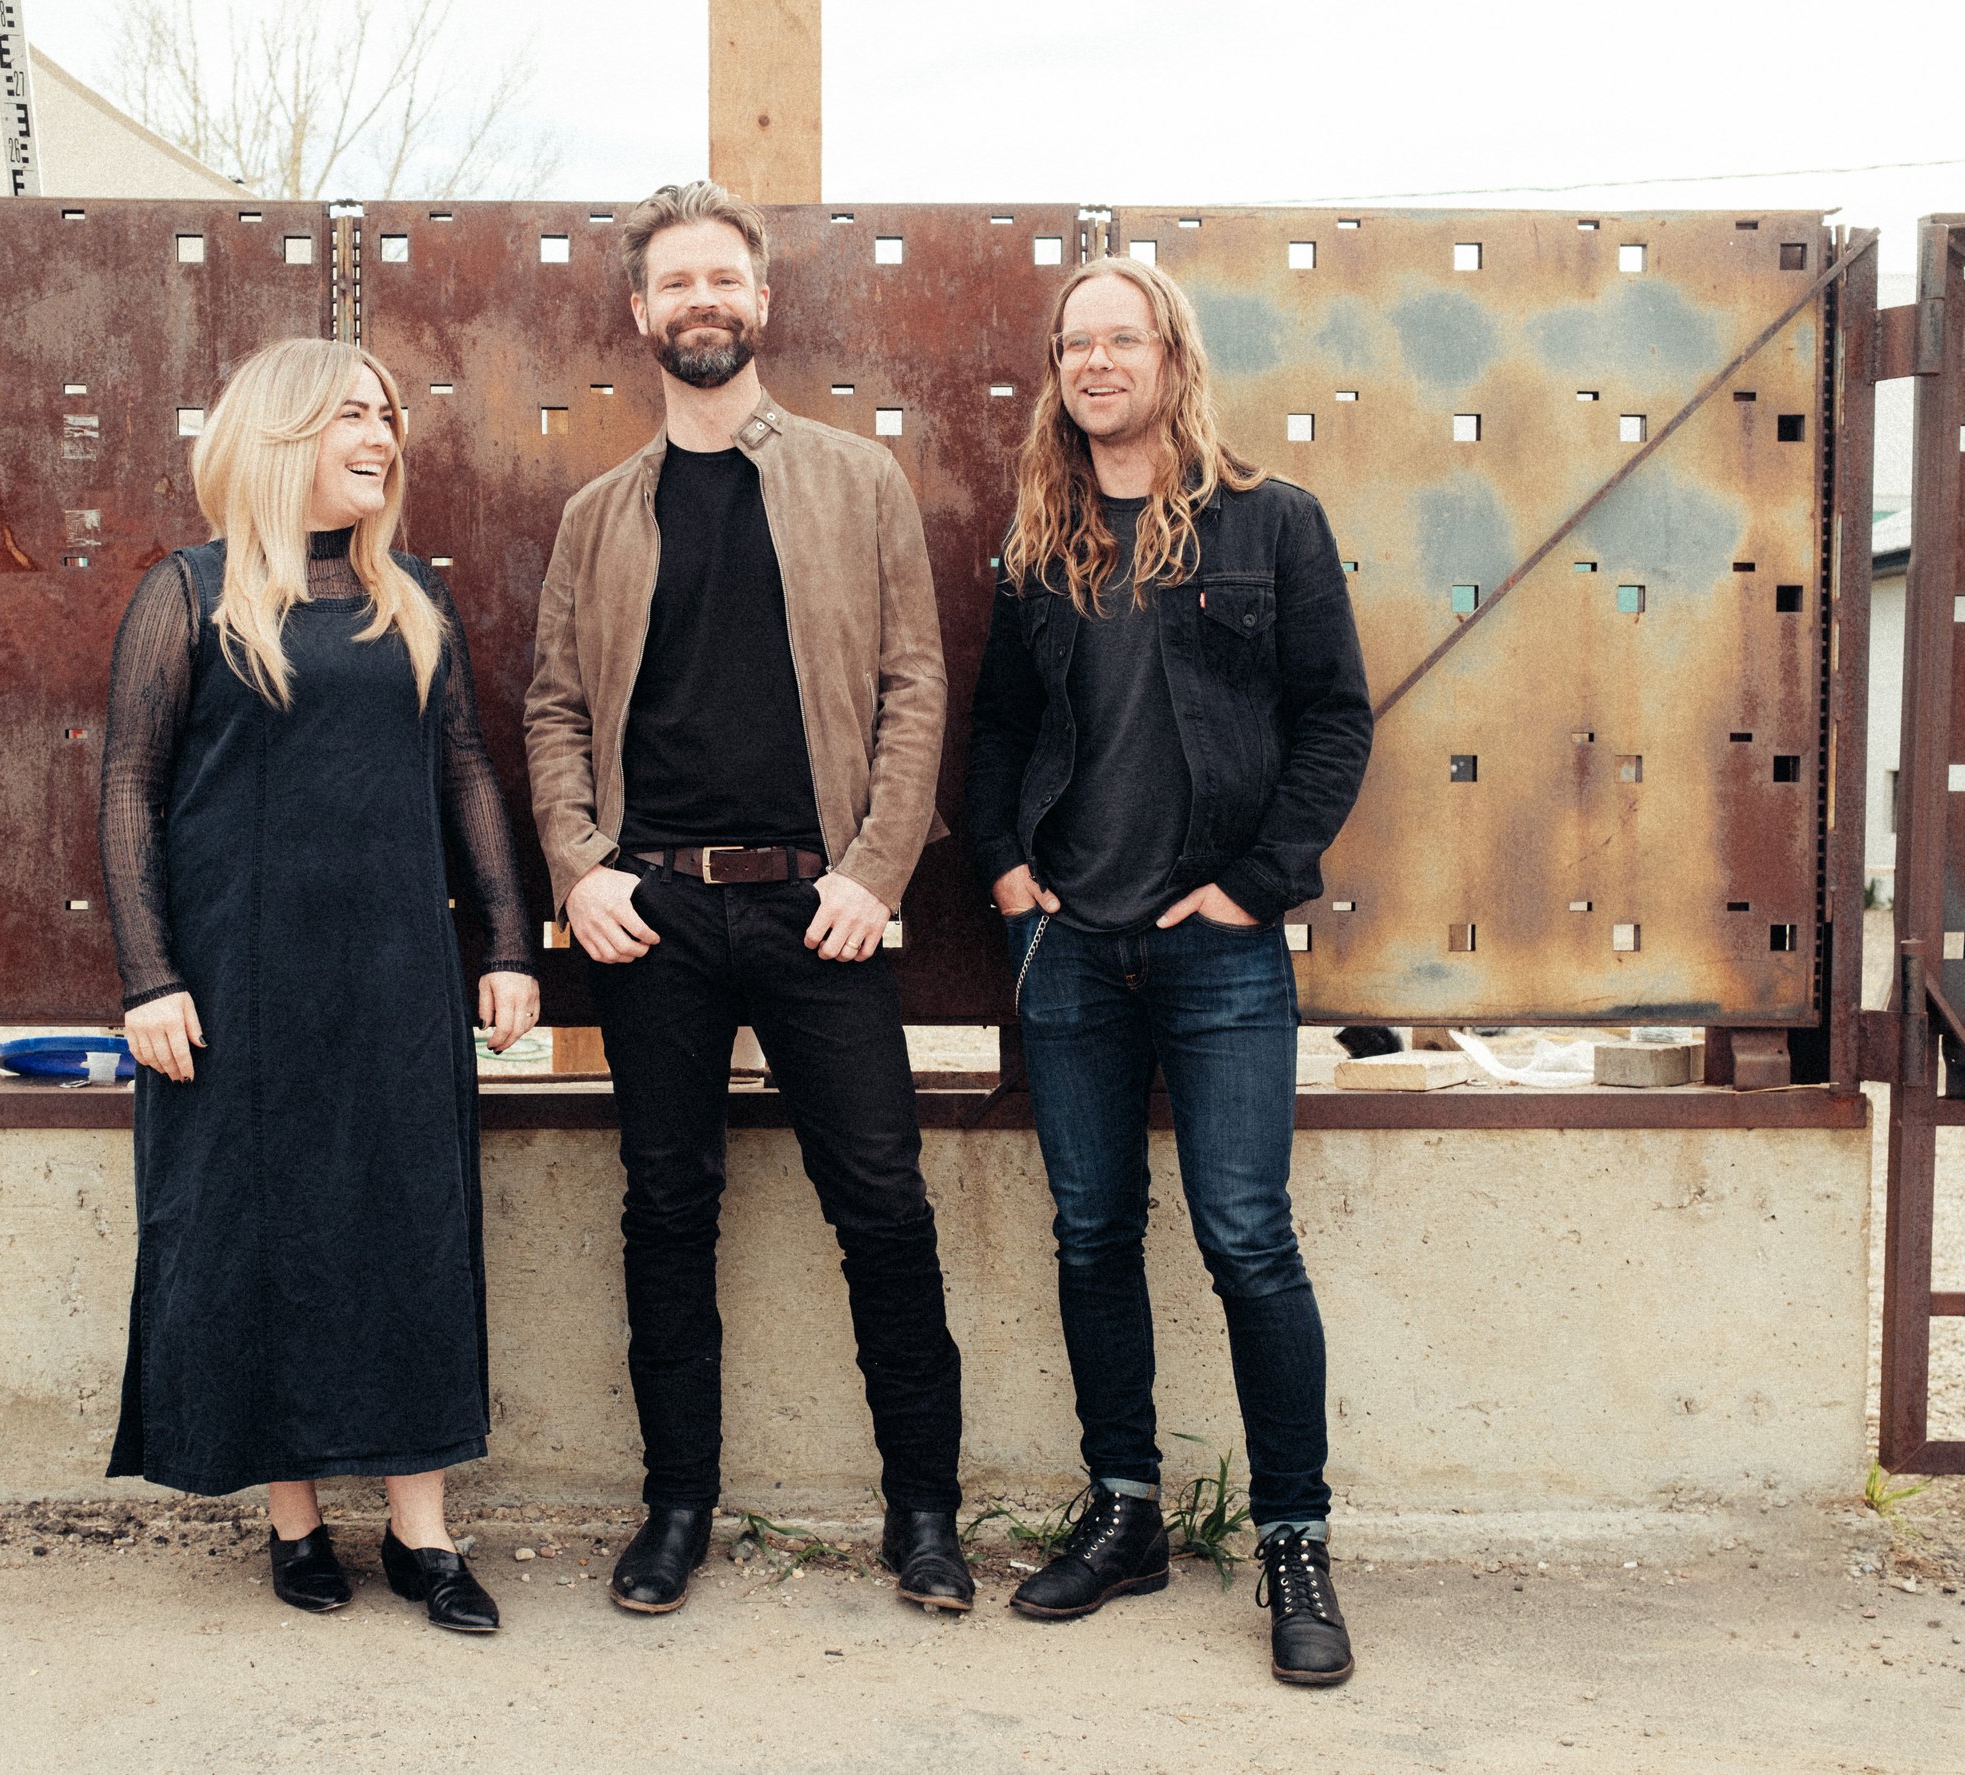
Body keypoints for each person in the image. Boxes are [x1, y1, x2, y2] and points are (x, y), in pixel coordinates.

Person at [524, 181, 970, 1615]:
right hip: (653, 918)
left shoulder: (859, 481)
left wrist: (875, 873)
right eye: (676, 283)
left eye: (724, 277)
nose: (701, 300)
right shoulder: (600, 515)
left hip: (819, 907)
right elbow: (550, 709)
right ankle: (676, 1508)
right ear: (641, 314)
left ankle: (923, 1514)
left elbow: (915, 686)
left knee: (886, 1212)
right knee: (666, 1212)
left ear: (761, 303)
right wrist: (580, 870)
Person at [963, 256, 1372, 1684]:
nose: (1093, 363)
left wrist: (1253, 890)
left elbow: (1335, 723)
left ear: (1171, 358)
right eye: (1073, 344)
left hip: (1220, 957)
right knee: (1091, 1231)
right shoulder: (1039, 543)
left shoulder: (1273, 528)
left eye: (1118, 340)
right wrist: (1009, 869)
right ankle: (1126, 1512)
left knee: (1247, 1236)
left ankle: (1293, 1540)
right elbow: (1000, 728)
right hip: (1070, 948)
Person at [99, 337, 539, 1633]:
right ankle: (294, 1527)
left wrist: (509, 944)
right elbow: (129, 790)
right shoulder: (189, 596)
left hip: (396, 982)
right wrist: (149, 977)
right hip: (239, 990)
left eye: (388, 415)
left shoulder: (415, 599)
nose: (383, 433)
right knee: (259, 1242)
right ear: (282, 429)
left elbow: (465, 773)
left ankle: (423, 1536)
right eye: (353, 411)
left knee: (410, 1236)